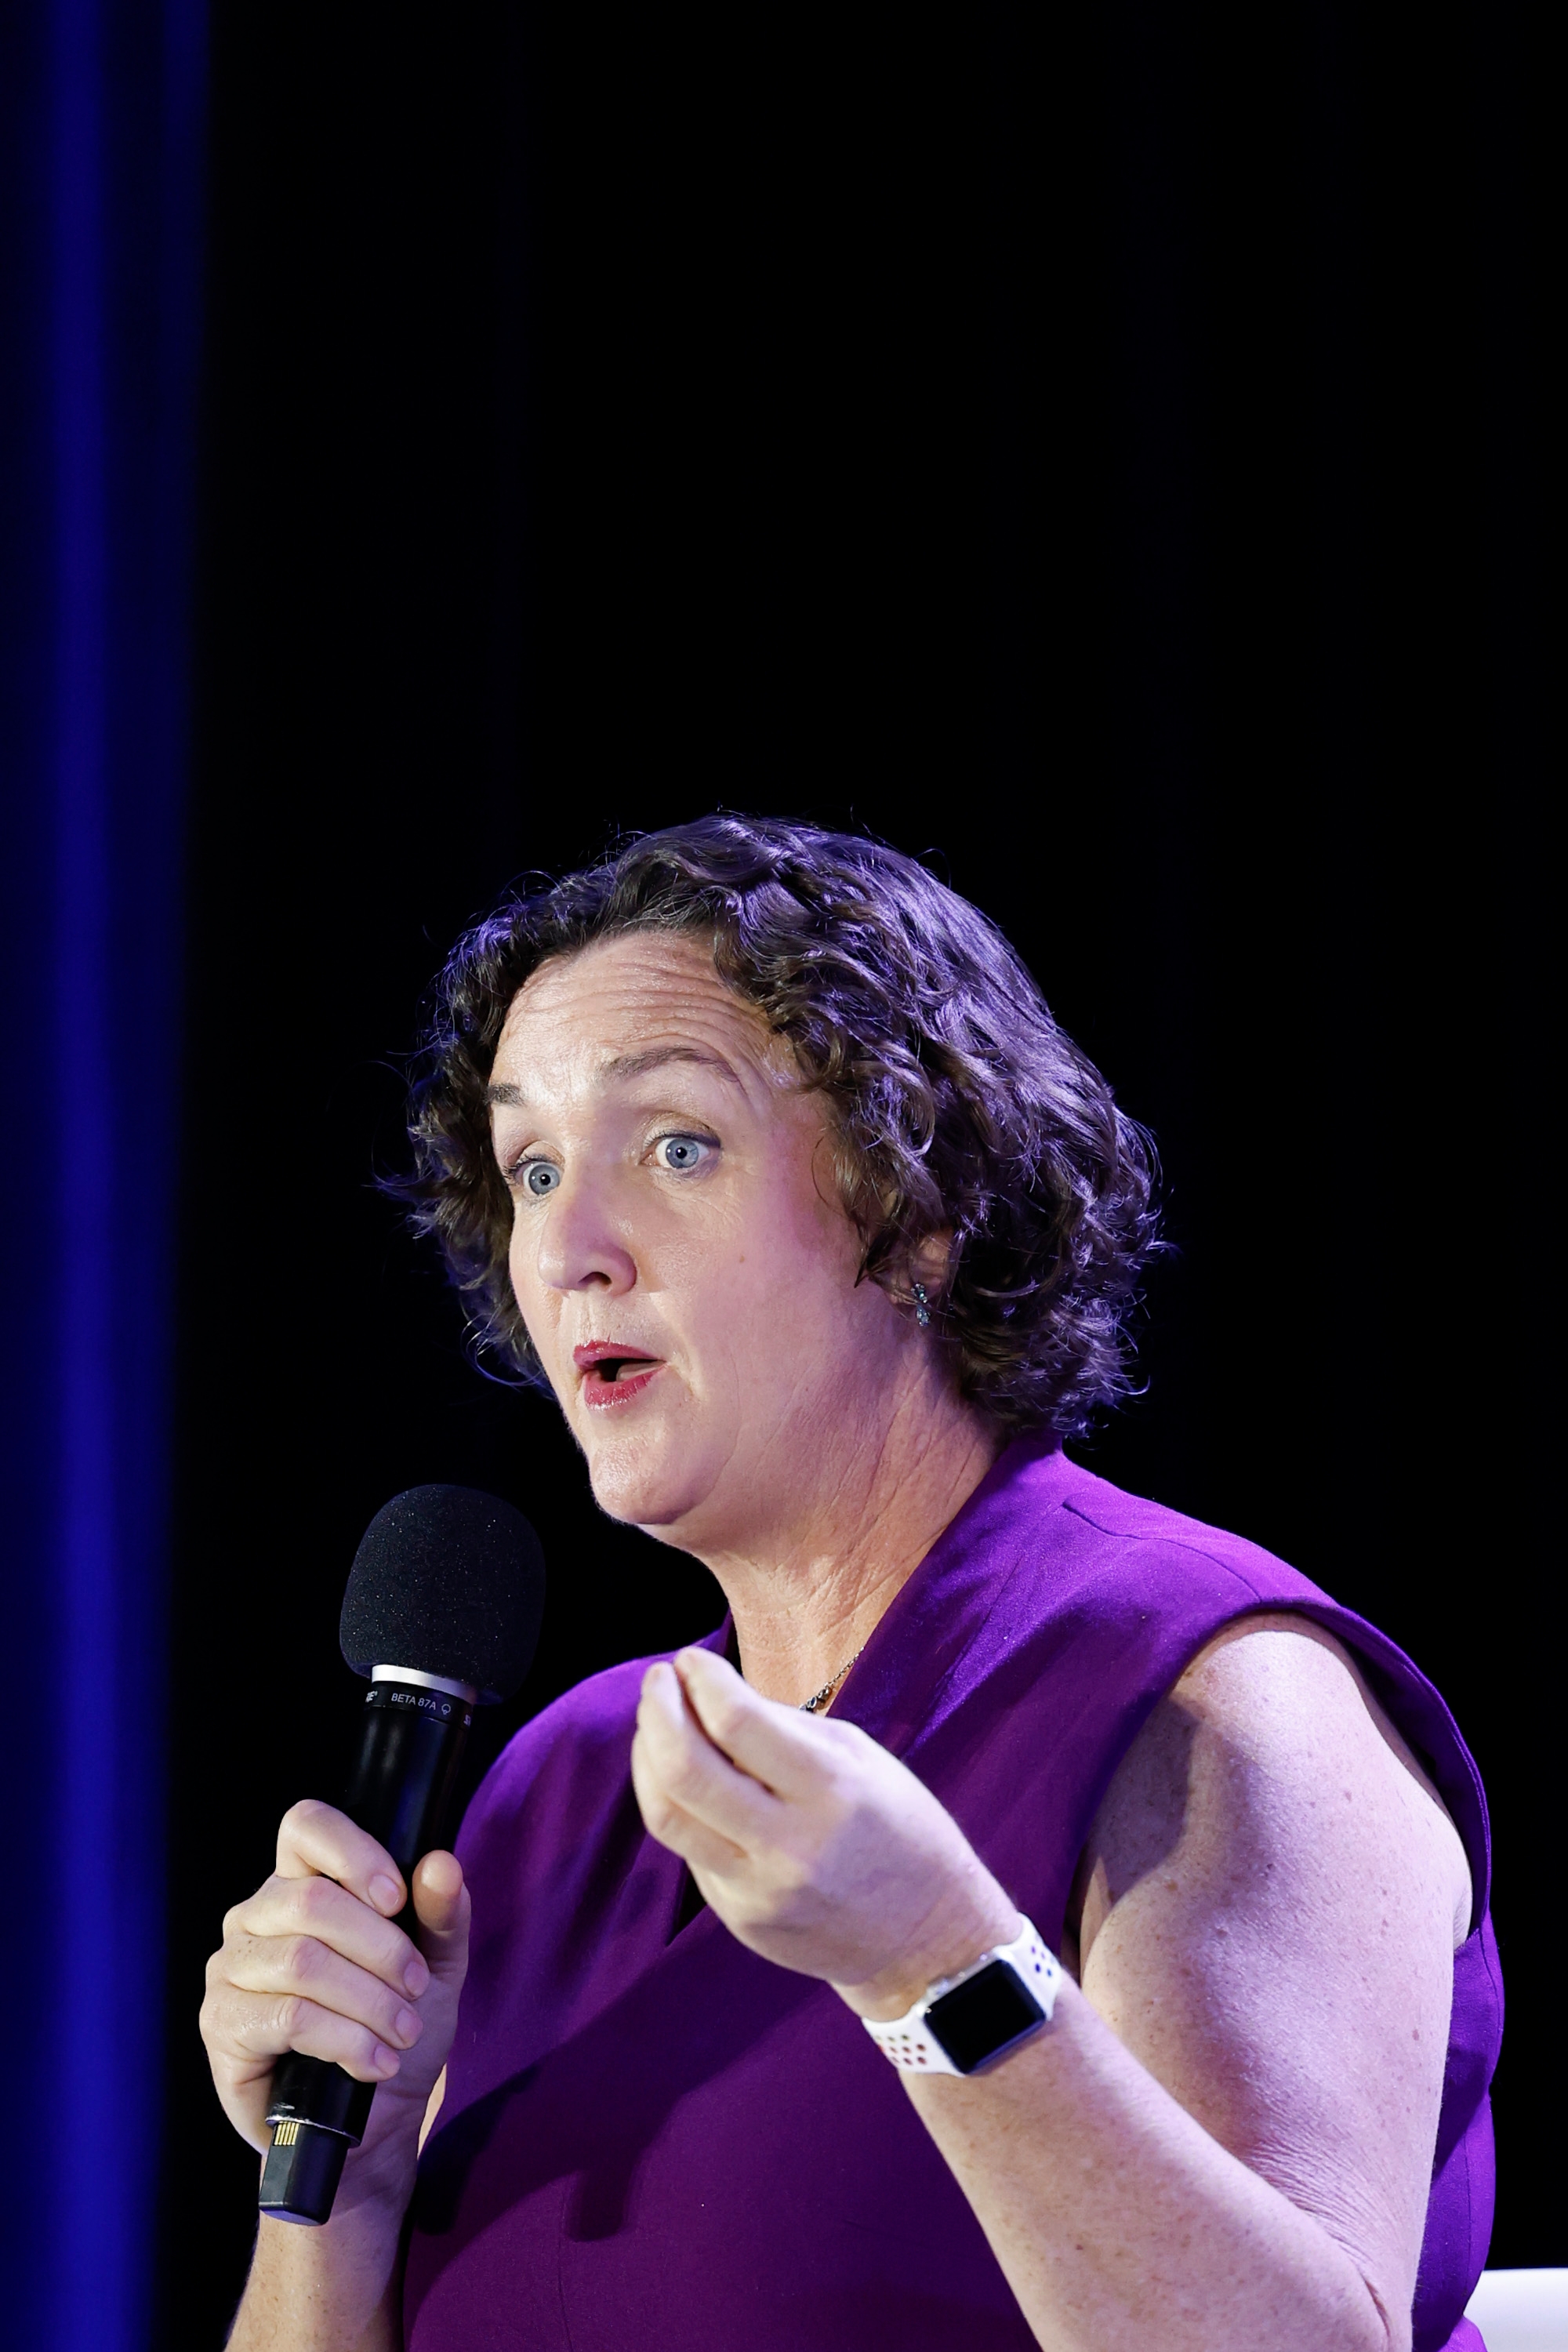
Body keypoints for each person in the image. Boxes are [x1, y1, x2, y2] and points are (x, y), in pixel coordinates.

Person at [201, 818, 1499, 2351]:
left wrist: (936, 1965)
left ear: (919, 1206)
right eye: (531, 1168)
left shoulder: (1215, 1696)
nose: (570, 1249)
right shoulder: (563, 1791)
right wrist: (341, 2196)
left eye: (674, 1145)